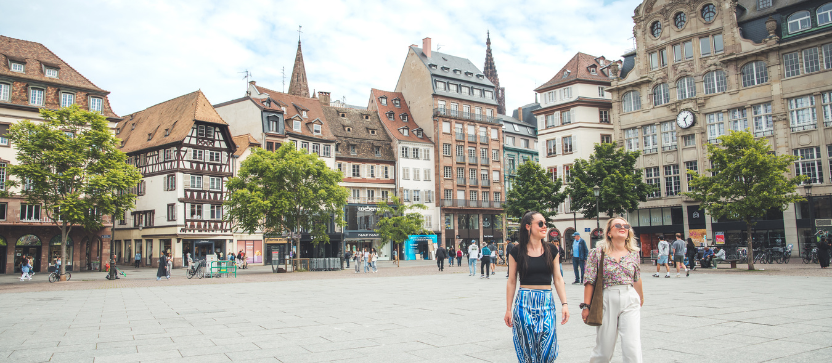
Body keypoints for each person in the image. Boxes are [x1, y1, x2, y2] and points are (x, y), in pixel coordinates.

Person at [505, 211, 569, 362]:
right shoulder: (516, 251)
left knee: (548, 351)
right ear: (528, 226)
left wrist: (564, 304)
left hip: (546, 303)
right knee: (527, 351)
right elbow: (512, 281)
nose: (544, 226)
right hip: (523, 303)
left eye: (545, 223)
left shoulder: (551, 250)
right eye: (540, 223)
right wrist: (508, 309)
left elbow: (558, 279)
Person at [582, 217, 643, 363]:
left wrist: (640, 298)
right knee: (604, 349)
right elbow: (589, 281)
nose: (622, 227)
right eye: (617, 225)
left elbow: (637, 278)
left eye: (626, 225)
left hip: (630, 297)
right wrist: (586, 306)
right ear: (609, 233)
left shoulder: (634, 253)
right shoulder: (597, 253)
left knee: (632, 345)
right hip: (607, 297)